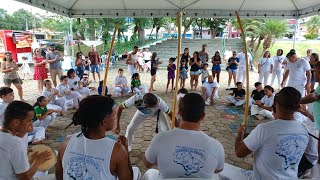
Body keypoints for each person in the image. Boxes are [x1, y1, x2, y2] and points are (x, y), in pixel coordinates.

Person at [220, 87, 317, 180]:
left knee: (218, 168)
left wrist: (239, 136)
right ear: (298, 107)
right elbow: (312, 156)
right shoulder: (304, 129)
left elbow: (239, 153)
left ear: (276, 104)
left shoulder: (264, 129)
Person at [55, 95, 141, 180]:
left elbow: (59, 175)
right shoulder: (117, 150)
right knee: (136, 171)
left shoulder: (66, 142)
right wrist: (125, 152)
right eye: (113, 115)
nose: (115, 118)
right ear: (104, 121)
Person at [143, 93, 224, 179]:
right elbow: (218, 169)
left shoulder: (160, 139)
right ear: (202, 116)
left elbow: (147, 163)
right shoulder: (216, 146)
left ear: (179, 112)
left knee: (150, 173)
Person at [0, 101, 52, 179]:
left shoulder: (4, 135)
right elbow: (26, 178)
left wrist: (25, 150)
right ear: (16, 122)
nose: (31, 123)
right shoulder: (15, 144)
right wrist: (37, 161)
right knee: (45, 167)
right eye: (29, 120)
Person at [300, 61, 320, 159]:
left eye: (316, 71)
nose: (314, 73)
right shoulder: (319, 86)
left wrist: (296, 101)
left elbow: (314, 96)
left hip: (317, 127)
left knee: (315, 153)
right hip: (317, 125)